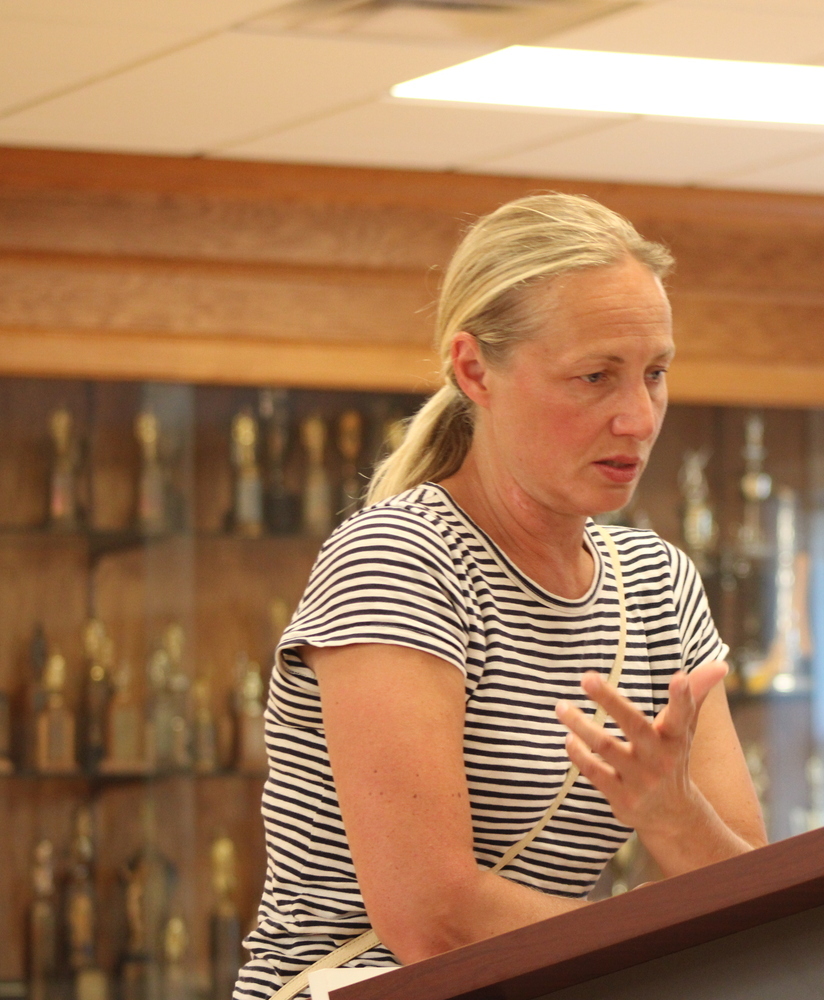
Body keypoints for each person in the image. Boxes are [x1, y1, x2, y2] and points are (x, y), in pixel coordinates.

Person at [234, 194, 767, 1000]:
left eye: (654, 374)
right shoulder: (401, 559)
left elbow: (761, 904)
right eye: (595, 377)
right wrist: (646, 945)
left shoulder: (660, 583)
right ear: (474, 369)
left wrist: (672, 813)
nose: (637, 418)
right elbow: (432, 920)